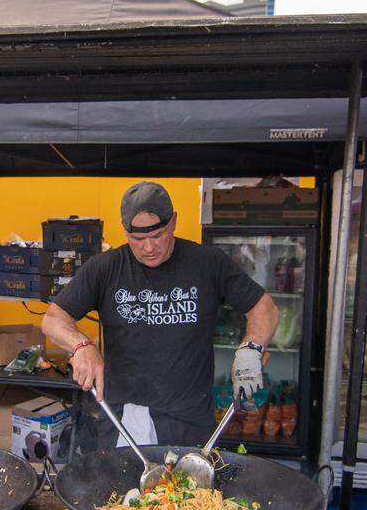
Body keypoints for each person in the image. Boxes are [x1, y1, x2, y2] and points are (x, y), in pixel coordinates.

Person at [42, 181, 279, 448]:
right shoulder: (105, 268)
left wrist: (251, 348)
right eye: (137, 239)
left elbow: (264, 307)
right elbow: (53, 319)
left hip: (189, 422)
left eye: (157, 235)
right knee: (122, 490)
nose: (148, 248)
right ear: (125, 231)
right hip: (122, 420)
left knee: (191, 491)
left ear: (174, 221)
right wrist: (81, 345)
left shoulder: (208, 263)